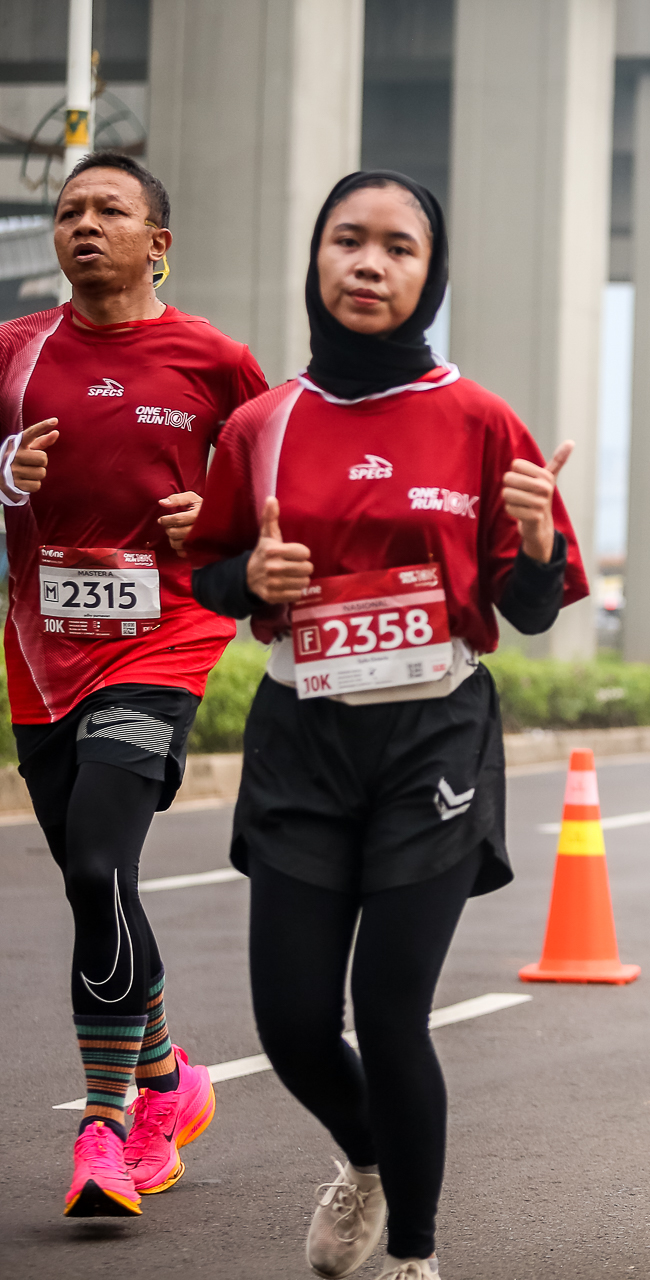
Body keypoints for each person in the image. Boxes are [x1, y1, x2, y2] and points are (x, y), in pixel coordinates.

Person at [186, 171, 588, 1280]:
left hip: (434, 735)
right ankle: (367, 1158)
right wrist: (248, 576)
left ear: (430, 273)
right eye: (348, 241)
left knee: (391, 1009)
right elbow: (208, 570)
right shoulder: (264, 423)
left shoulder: (481, 420)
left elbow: (531, 609)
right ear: (316, 257)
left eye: (399, 248)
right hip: (301, 733)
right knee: (292, 1023)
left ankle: (414, 1252)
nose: (370, 264)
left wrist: (538, 546)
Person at [0, 153, 268, 1217]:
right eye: (69, 210)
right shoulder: (15, 354)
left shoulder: (215, 360)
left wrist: (217, 514)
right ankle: (169, 1077)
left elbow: (275, 491)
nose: (84, 224)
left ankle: (109, 1129)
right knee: (93, 884)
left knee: (99, 859)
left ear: (158, 242)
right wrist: (2, 473)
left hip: (163, 642)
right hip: (42, 652)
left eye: (109, 209)